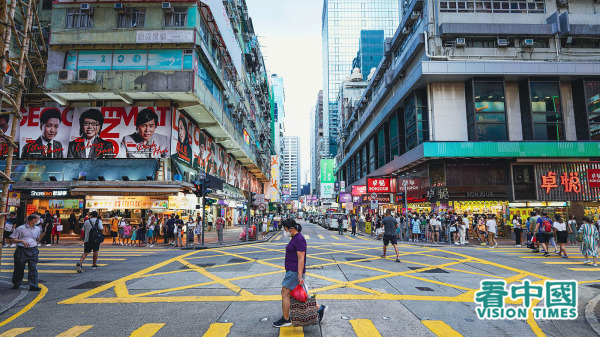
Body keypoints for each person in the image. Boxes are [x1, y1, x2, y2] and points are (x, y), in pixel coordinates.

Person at [273, 219, 327, 328]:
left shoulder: (299, 239)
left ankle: (286, 319)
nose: (285, 231)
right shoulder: (295, 238)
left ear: (291, 229)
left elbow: (301, 259)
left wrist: (299, 276)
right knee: (299, 295)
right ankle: (320, 308)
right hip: (292, 271)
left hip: (294, 272)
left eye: (285, 229)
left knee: (285, 293)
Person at [10, 214, 42, 291]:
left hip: (33, 249)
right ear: (33, 220)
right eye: (37, 219)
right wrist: (22, 241)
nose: (38, 221)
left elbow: (37, 239)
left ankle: (33, 285)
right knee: (19, 268)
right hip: (22, 250)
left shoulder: (37, 228)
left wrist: (41, 237)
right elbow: (13, 239)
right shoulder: (20, 228)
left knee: (33, 268)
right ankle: (17, 283)